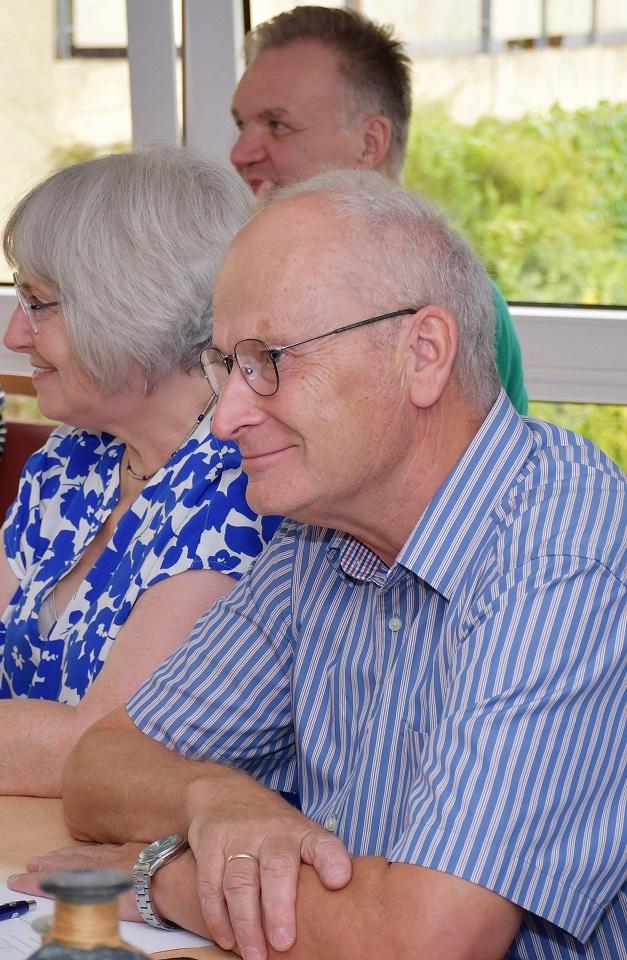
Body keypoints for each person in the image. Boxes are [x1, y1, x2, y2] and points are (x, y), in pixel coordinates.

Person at [14, 171, 625, 960]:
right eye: (226, 366)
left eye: (269, 360)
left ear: (423, 355)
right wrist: (214, 797)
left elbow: (426, 940)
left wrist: (163, 875)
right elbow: (101, 764)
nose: (227, 417)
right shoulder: (319, 533)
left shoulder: (564, 558)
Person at [0, 146, 282, 798]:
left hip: (171, 857)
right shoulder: (72, 460)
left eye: (38, 303)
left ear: (130, 308)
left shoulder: (243, 492)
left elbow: (97, 750)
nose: (15, 334)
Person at [229, 4, 529, 415]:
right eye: (241, 125)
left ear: (370, 144)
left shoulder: (455, 301)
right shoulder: (237, 284)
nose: (240, 152)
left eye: (277, 125)